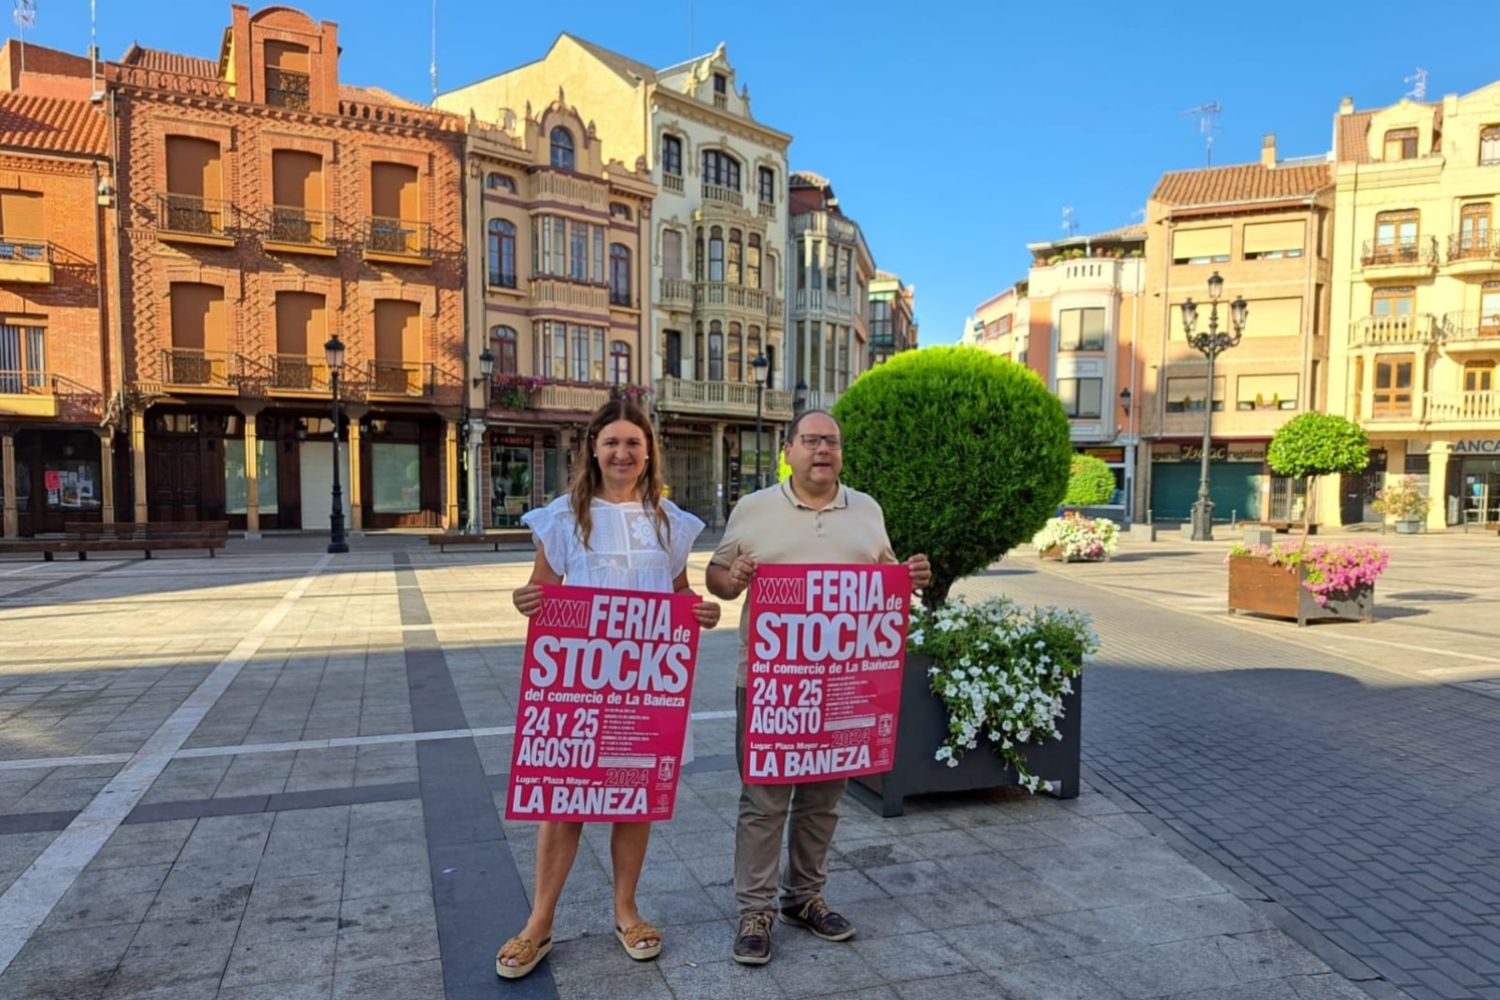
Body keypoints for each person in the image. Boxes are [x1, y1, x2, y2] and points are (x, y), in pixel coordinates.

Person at [498, 399, 721, 980]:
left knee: (635, 799)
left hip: (648, 686)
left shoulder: (669, 520)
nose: (622, 453)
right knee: (564, 803)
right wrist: (527, 601)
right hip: (583, 683)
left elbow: (679, 594)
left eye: (633, 444)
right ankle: (539, 922)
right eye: (612, 443)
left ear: (648, 455)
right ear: (593, 450)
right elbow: (541, 591)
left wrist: (698, 613)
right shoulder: (563, 518)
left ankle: (627, 909)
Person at [705, 409, 931, 966]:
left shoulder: (868, 510)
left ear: (841, 453)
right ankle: (754, 910)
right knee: (763, 800)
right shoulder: (753, 509)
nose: (821, 450)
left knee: (823, 800)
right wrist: (729, 580)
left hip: (843, 685)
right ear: (788, 451)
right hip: (769, 685)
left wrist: (909, 576)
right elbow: (716, 575)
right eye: (810, 441)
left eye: (830, 442)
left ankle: (803, 898)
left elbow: (882, 579)